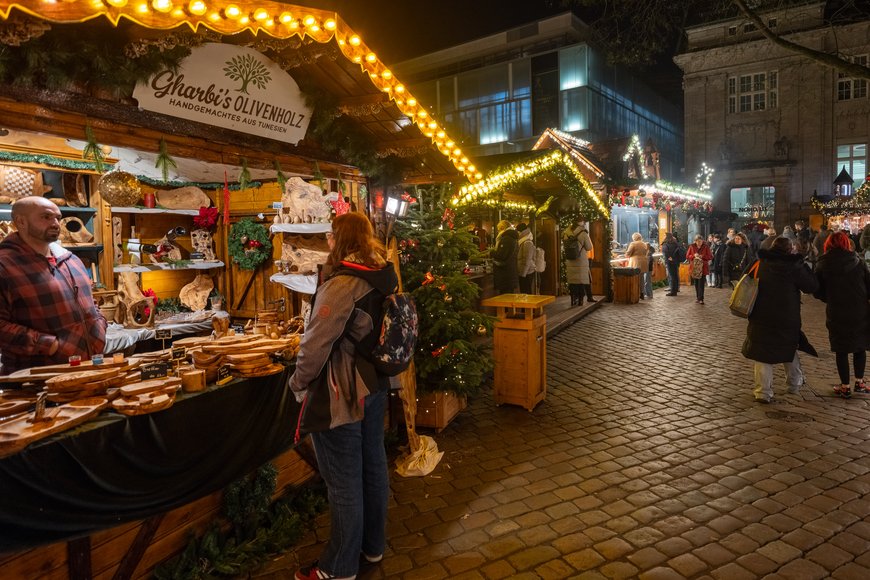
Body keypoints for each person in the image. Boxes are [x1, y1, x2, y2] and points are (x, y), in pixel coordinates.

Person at [290, 212, 398, 580]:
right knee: (373, 469)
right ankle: (372, 547)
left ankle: (338, 568)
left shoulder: (343, 285)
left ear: (343, 238)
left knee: (344, 481)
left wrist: (298, 383)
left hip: (343, 391)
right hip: (375, 386)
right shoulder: (382, 274)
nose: (328, 243)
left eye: (331, 237)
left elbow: (316, 344)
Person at [0, 196, 107, 375]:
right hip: (37, 379)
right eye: (46, 217)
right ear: (21, 221)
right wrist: (48, 345)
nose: (56, 223)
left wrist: (100, 325)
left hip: (86, 370)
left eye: (58, 217)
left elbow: (89, 302)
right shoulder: (5, 265)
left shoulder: (71, 260)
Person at [742, 236, 818, 403]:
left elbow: (745, 279)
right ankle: (794, 383)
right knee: (788, 347)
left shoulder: (759, 262)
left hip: (761, 315)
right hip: (787, 316)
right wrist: (803, 265)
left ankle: (763, 392)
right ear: (791, 250)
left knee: (762, 353)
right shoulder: (795, 266)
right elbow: (812, 286)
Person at [813, 231, 870, 398]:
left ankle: (845, 386)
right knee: (860, 346)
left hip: (837, 310)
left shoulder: (823, 263)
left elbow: (817, 290)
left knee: (841, 348)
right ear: (847, 243)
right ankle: (859, 382)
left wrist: (828, 298)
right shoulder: (858, 261)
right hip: (860, 310)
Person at [564, 220, 595, 306]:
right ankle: (580, 300)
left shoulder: (566, 233)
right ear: (580, 223)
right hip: (581, 261)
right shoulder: (583, 233)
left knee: (572, 282)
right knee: (581, 281)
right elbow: (589, 247)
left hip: (570, 260)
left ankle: (573, 299)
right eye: (583, 221)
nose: (584, 223)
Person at [491, 220, 519, 295]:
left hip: (505, 274)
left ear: (502, 228)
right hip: (510, 272)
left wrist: (491, 252)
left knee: (504, 297)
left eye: (498, 229)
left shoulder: (506, 239)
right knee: (509, 296)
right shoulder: (513, 238)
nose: (497, 231)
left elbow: (501, 255)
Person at [685, 234, 713, 304]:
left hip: (703, 267)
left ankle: (701, 299)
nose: (698, 243)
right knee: (696, 283)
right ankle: (698, 298)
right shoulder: (692, 246)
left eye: (700, 241)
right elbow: (687, 256)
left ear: (702, 241)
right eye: (697, 241)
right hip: (694, 268)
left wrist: (702, 256)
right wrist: (693, 255)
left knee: (701, 283)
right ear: (695, 241)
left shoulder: (706, 247)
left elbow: (710, 256)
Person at [625, 232, 649, 301]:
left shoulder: (633, 244)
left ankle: (635, 294)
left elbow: (628, 253)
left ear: (634, 238)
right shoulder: (644, 244)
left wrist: (625, 255)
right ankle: (641, 293)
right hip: (643, 262)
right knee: (641, 279)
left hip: (635, 262)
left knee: (635, 279)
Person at [515, 222, 536, 294]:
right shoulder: (523, 240)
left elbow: (527, 259)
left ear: (520, 231)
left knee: (526, 291)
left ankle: (528, 305)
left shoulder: (527, 242)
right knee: (525, 291)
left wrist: (523, 273)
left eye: (517, 231)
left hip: (527, 271)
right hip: (525, 270)